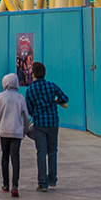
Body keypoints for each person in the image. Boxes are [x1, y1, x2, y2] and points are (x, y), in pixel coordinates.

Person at [23, 61, 69, 190]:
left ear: (33, 73)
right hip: (53, 122)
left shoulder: (30, 89)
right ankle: (52, 179)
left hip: (39, 124)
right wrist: (56, 101)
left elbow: (29, 109)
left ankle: (42, 183)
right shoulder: (51, 85)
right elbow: (65, 98)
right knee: (52, 151)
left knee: (41, 152)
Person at [0, 72, 27, 196]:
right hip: (17, 132)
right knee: (15, 158)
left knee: (5, 157)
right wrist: (25, 130)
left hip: (4, 130)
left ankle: (5, 184)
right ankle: (15, 186)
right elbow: (26, 117)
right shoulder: (20, 97)